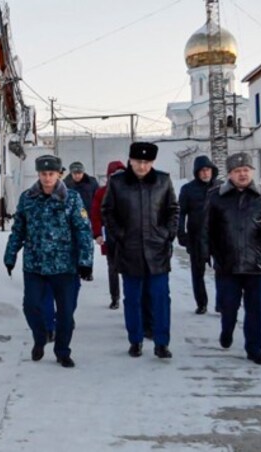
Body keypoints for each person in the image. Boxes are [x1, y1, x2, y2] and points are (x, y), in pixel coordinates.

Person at [4, 155, 94, 368]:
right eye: (43, 174)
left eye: (51, 174)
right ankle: (40, 336)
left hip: (64, 265)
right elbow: (18, 229)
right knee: (31, 305)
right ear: (38, 174)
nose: (47, 178)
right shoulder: (28, 198)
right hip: (35, 264)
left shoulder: (71, 198)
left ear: (59, 174)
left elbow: (82, 229)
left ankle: (63, 351)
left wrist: (85, 261)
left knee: (65, 312)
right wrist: (10, 255)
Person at [200, 152, 261, 365]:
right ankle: (227, 329)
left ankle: (254, 348)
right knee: (229, 306)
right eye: (237, 171)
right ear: (230, 174)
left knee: (256, 310)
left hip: (256, 263)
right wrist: (207, 253)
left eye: (246, 170)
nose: (242, 175)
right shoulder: (216, 196)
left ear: (252, 172)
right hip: (227, 263)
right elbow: (205, 228)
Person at [102, 142, 178, 359]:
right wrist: (120, 235)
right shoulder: (118, 182)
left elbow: (173, 209)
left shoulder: (163, 181)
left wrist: (167, 234)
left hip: (157, 250)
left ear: (152, 162)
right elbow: (108, 211)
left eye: (147, 162)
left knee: (161, 298)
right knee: (132, 299)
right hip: (130, 250)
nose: (142, 166)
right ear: (131, 161)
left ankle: (161, 342)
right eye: (138, 162)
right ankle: (135, 340)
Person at [178, 155, 221, 314]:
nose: (205, 173)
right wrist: (181, 234)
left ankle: (221, 303)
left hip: (218, 236)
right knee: (198, 273)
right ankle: (201, 303)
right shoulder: (188, 189)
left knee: (221, 271)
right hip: (196, 236)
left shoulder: (220, 187)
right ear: (197, 172)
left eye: (208, 169)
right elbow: (180, 213)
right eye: (202, 170)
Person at [91, 160, 126, 309]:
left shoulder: (132, 191)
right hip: (110, 235)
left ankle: (131, 298)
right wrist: (98, 233)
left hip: (129, 237)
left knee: (130, 269)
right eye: (114, 175)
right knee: (112, 268)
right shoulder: (101, 193)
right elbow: (95, 215)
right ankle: (115, 297)